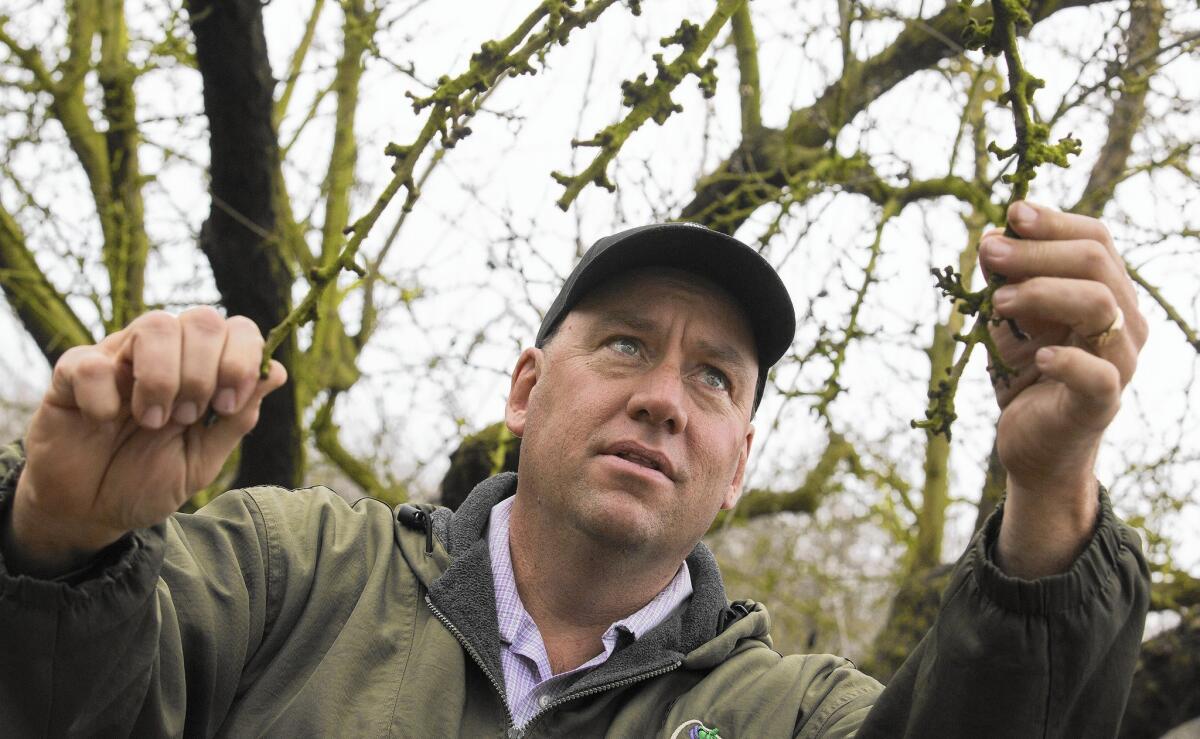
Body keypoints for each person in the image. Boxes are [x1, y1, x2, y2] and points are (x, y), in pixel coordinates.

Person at [0, 201, 1149, 737]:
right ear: (523, 390)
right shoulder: (284, 573)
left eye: (714, 378)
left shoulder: (787, 717)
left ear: (739, 463)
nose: (662, 394)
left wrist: (1049, 493)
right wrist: (56, 543)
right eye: (623, 344)